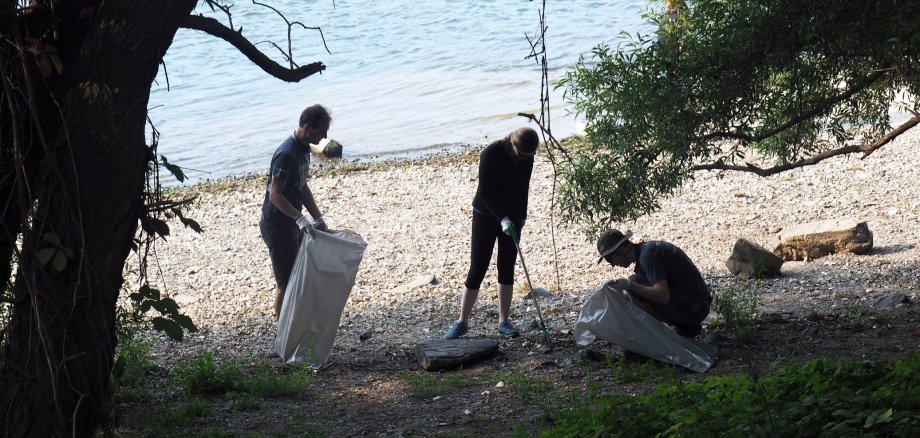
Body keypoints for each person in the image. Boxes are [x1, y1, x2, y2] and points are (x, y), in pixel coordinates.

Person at [444, 127, 540, 339]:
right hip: (485, 214)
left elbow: (524, 188)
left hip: (512, 216)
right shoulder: (491, 154)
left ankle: (504, 322)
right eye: (522, 153)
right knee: (478, 267)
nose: (525, 158)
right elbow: (484, 192)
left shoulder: (527, 158)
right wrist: (502, 218)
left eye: (529, 155)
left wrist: (521, 216)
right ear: (513, 144)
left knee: (506, 267)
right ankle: (462, 321)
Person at [260, 104, 331, 320]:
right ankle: (282, 333)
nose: (325, 136)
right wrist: (301, 218)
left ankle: (296, 323)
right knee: (286, 281)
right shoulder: (286, 154)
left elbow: (301, 185)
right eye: (322, 131)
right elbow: (275, 194)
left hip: (291, 222)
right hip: (276, 225)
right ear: (307, 127)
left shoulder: (303, 149)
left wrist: (317, 216)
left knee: (299, 274)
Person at [596, 229, 712, 338]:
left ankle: (655, 335)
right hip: (694, 305)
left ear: (620, 249)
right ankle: (685, 327)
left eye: (609, 259)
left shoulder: (648, 256)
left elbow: (663, 296)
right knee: (628, 296)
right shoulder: (646, 251)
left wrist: (628, 285)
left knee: (634, 283)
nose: (612, 264)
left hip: (695, 309)